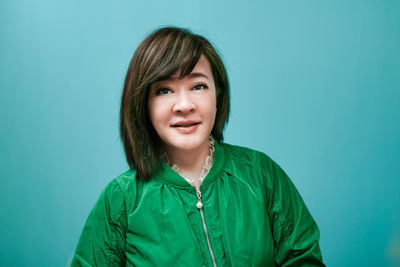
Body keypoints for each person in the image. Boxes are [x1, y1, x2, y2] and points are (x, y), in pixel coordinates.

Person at [71, 26, 325, 266]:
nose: (184, 105)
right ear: (143, 104)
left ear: (218, 95)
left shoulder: (262, 176)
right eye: (164, 90)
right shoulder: (121, 201)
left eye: (198, 86)